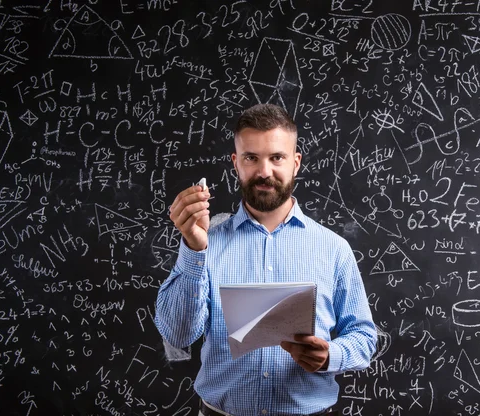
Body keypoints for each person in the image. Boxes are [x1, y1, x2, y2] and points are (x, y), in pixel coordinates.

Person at [154, 103, 377, 416]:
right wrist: (193, 248)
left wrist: (332, 355)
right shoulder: (206, 243)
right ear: (236, 163)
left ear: (295, 163)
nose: (264, 171)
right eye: (251, 158)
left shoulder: (333, 248)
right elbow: (177, 336)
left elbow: (365, 338)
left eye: (276, 158)